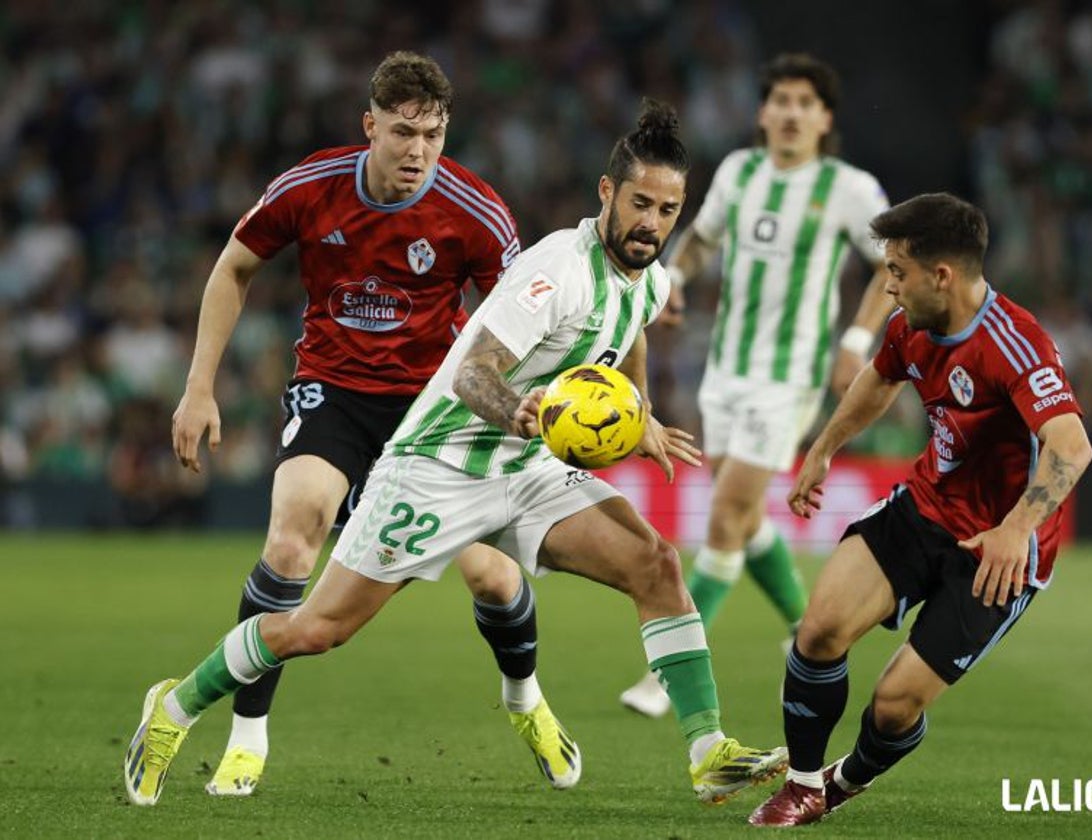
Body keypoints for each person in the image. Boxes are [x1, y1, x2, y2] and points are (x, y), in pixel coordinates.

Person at [124, 99, 788, 808]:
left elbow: (636, 327)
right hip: (439, 463)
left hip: (522, 467)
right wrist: (521, 409)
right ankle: (173, 707)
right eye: (639, 204)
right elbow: (474, 372)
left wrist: (642, 410)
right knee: (318, 629)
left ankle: (706, 749)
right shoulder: (555, 271)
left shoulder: (649, 278)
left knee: (656, 563)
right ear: (606, 193)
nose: (651, 224)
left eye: (667, 209)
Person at [168, 51, 570, 797]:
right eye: (402, 132)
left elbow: (522, 319)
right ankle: (247, 738)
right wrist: (199, 389)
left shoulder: (476, 211)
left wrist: (529, 403)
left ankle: (526, 700)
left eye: (433, 134)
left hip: (438, 406)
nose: (418, 150)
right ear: (370, 126)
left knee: (492, 576)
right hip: (335, 390)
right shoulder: (311, 186)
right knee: (293, 539)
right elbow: (233, 267)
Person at [747, 193, 1092, 826]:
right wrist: (824, 448)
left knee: (893, 705)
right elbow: (879, 378)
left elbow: (1072, 445)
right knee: (819, 629)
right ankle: (801, 785)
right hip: (925, 506)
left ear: (943, 275)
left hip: (999, 549)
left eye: (898, 273)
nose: (889, 287)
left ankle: (845, 779)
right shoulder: (912, 324)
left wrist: (1016, 529)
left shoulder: (1016, 344)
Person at [621, 53, 896, 718]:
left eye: (806, 102)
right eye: (781, 100)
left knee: (723, 519)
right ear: (762, 113)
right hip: (726, 371)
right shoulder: (741, 172)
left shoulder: (850, 187)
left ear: (824, 117)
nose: (792, 112)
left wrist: (857, 342)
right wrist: (674, 280)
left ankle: (671, 672)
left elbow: (895, 263)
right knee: (741, 517)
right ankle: (810, 633)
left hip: (790, 376)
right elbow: (699, 240)